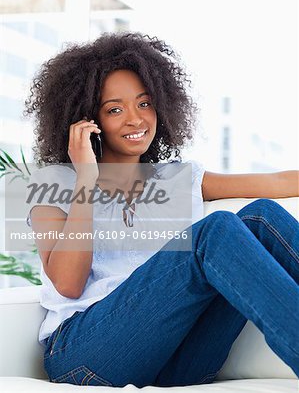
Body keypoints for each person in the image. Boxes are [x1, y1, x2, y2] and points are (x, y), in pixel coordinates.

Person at [23, 32, 299, 387]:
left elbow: (276, 183)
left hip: (181, 361)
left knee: (260, 217)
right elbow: (68, 283)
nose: (136, 120)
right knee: (214, 231)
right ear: (86, 121)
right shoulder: (54, 181)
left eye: (144, 103)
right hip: (86, 356)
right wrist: (87, 178)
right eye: (114, 109)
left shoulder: (178, 179)